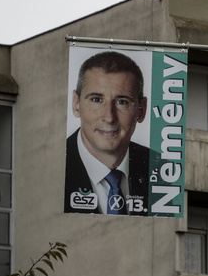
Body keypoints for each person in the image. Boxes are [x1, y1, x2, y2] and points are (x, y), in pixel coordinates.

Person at [64, 51, 149, 216]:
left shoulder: (162, 171)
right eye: (96, 99)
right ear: (76, 104)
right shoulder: (53, 166)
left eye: (122, 102)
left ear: (141, 109)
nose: (109, 117)